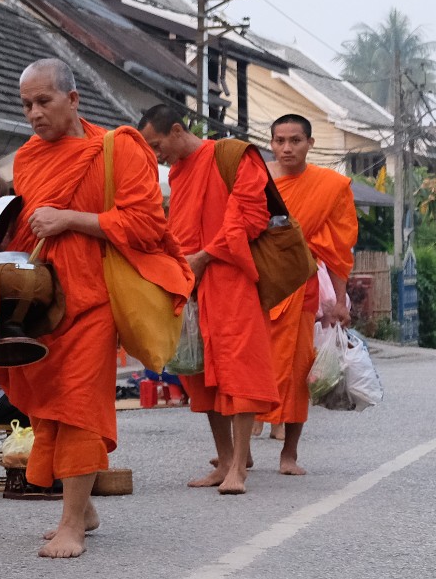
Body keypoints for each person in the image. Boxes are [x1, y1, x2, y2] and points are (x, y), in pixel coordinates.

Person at [0, 60, 192, 557]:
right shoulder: (26, 159)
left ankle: (71, 524)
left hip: (94, 295)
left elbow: (147, 224)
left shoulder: (117, 148)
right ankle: (83, 506)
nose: (34, 113)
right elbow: (29, 226)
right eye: (26, 105)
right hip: (42, 298)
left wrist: (71, 220)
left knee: (79, 404)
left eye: (44, 101)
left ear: (74, 99)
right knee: (45, 404)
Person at [138, 105, 280, 493]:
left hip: (231, 277)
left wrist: (205, 255)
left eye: (156, 145)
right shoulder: (180, 172)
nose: (156, 156)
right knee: (201, 374)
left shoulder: (232, 155)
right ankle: (225, 458)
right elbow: (177, 229)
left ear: (178, 131)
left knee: (237, 368)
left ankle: (239, 467)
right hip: (192, 281)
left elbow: (249, 217)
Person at [265, 114, 357, 475]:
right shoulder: (257, 180)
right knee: (244, 368)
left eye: (295, 140)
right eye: (279, 140)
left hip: (300, 288)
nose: (287, 148)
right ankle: (239, 451)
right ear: (271, 143)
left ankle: (289, 453)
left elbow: (336, 251)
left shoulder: (329, 187)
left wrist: (338, 300)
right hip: (257, 285)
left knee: (296, 369)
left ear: (310, 144)